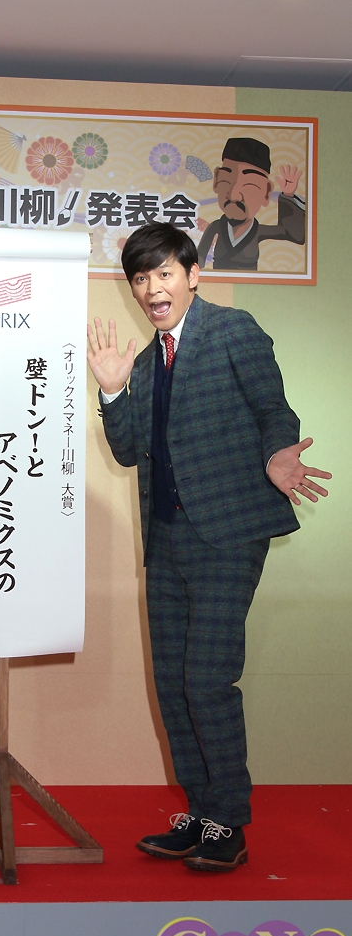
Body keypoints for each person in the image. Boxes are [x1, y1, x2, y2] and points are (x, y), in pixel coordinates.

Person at [87, 222, 330, 871]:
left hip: (227, 533)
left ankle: (229, 822)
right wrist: (112, 390)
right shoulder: (143, 364)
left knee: (206, 680)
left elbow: (273, 408)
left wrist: (278, 454)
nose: (152, 289)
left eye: (164, 273)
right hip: (164, 540)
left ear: (192, 275)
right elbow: (127, 451)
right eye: (140, 279)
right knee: (172, 684)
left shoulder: (232, 330)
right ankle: (199, 814)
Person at [197, 137, 305, 272]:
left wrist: (288, 195)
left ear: (266, 192)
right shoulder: (216, 227)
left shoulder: (258, 231)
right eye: (226, 181)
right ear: (217, 180)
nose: (233, 196)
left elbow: (293, 234)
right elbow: (199, 259)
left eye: (249, 186)